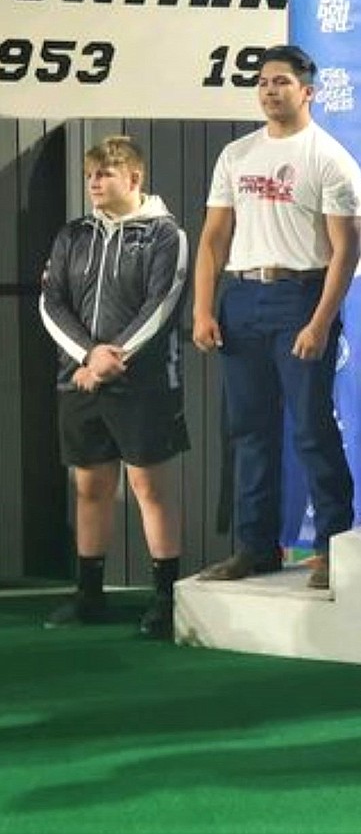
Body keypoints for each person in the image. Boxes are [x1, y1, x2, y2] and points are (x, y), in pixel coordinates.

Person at [192, 44, 361, 591]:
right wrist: (202, 308)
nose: (270, 90)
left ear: (307, 91)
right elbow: (213, 239)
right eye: (264, 82)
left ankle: (332, 547)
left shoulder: (329, 157)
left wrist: (318, 323)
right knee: (250, 432)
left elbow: (346, 251)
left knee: (311, 429)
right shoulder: (236, 156)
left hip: (300, 299)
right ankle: (255, 547)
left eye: (282, 82)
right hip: (241, 301)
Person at [39, 135, 189, 640]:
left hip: (144, 386)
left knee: (151, 490)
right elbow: (50, 302)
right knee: (91, 488)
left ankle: (166, 600)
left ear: (134, 178)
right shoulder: (72, 235)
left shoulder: (166, 234)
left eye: (105, 174)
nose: (94, 183)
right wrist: (88, 355)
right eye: (90, 175)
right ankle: (89, 595)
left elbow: (162, 304)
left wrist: (112, 358)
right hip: (79, 379)